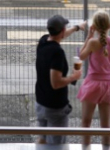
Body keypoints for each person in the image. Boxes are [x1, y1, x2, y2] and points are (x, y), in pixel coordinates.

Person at [77, 11, 110, 149]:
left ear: (94, 27)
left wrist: (88, 37)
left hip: (92, 84)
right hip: (108, 85)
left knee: (86, 123)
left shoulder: (92, 42)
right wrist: (109, 59)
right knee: (106, 125)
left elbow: (81, 56)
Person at [35, 14, 84, 145]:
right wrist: (74, 77)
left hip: (40, 103)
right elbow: (56, 83)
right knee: (57, 145)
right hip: (55, 107)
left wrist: (77, 28)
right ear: (61, 31)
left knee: (42, 139)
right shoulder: (57, 52)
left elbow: (61, 35)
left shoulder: (43, 41)